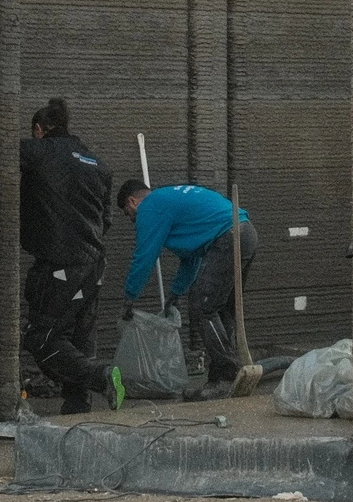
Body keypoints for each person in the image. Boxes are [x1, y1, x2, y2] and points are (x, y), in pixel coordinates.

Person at [17, 99, 123, 414]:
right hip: (95, 264)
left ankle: (100, 377)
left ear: (39, 130)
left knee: (43, 339)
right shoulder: (98, 163)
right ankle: (77, 405)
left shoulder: (35, 151)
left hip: (61, 264)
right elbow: (105, 221)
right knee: (80, 337)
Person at [116, 178, 260, 397]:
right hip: (244, 233)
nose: (131, 219)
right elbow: (191, 259)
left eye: (128, 213)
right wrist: (176, 292)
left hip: (229, 236)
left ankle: (226, 376)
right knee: (219, 309)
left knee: (203, 308)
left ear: (132, 201)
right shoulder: (168, 200)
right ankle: (224, 378)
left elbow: (145, 256)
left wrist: (130, 296)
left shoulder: (150, 207)